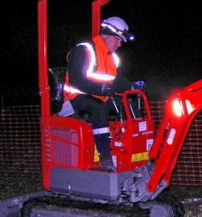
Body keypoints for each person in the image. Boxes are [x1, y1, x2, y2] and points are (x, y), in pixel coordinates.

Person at [62, 16, 145, 172]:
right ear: (107, 35)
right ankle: (105, 156)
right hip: (76, 99)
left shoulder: (111, 57)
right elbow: (77, 80)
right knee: (99, 108)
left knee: (129, 105)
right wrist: (101, 89)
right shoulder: (84, 50)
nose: (120, 44)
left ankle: (137, 152)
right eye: (118, 40)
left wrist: (132, 86)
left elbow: (117, 80)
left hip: (99, 96)